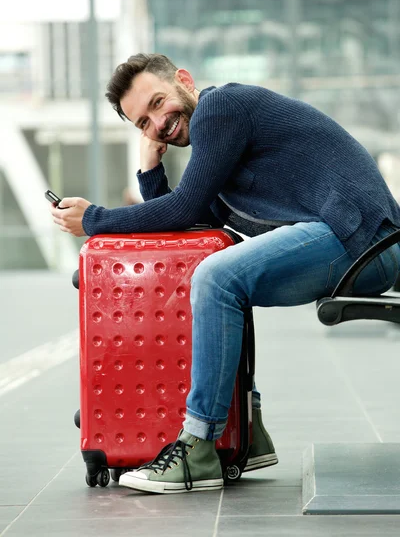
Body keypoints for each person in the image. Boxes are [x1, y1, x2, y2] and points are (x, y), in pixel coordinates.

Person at [50, 53, 400, 495]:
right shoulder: (219, 151)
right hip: (357, 244)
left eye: (158, 102)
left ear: (184, 81)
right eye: (143, 122)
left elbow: (183, 208)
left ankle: (198, 445)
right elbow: (191, 226)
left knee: (218, 278)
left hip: (362, 240)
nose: (158, 122)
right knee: (222, 275)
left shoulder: (222, 107)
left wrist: (95, 219)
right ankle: (247, 431)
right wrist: (150, 166)